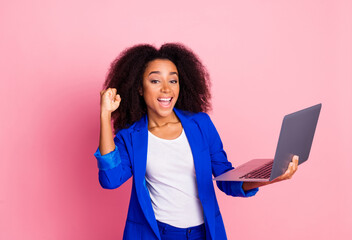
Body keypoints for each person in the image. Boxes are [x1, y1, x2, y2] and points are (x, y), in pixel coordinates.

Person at [93, 43, 298, 240]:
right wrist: (105, 115)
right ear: (139, 88)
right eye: (155, 81)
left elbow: (226, 179)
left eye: (173, 81)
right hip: (157, 234)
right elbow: (111, 179)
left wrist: (270, 177)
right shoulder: (131, 136)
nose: (166, 89)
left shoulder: (201, 125)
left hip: (204, 233)